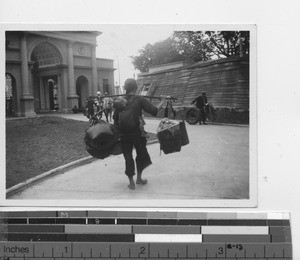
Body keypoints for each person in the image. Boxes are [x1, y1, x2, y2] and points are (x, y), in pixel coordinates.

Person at [113, 78, 166, 190]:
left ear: (126, 88)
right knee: (141, 155)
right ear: (135, 88)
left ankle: (131, 183)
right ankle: (139, 178)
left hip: (124, 134)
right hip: (138, 133)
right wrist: (163, 101)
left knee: (128, 157)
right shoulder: (140, 99)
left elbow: (115, 118)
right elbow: (154, 111)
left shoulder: (119, 100)